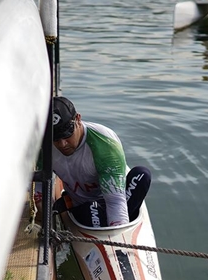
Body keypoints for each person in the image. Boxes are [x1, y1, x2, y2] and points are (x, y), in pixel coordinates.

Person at [49, 96, 151, 228]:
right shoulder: (43, 146)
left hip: (111, 197)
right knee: (91, 208)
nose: (62, 144)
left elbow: (115, 201)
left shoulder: (105, 144)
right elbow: (37, 188)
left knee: (142, 174)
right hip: (83, 205)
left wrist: (116, 234)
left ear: (78, 119)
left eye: (67, 134)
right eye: (55, 138)